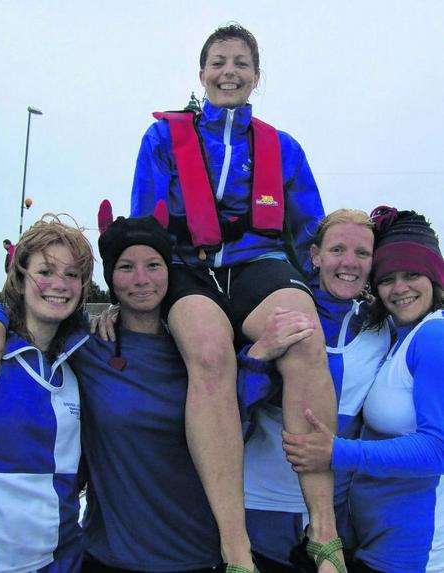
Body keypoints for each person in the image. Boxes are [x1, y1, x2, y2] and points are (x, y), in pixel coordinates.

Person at [131, 23, 339, 572]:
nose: (230, 71)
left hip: (256, 263)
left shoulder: (283, 147)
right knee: (209, 352)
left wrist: (332, 293)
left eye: (241, 63)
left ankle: (324, 532)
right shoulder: (161, 140)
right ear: (202, 74)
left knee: (304, 332)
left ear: (256, 77)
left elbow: (311, 230)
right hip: (188, 267)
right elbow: (142, 223)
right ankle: (235, 546)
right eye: (219, 61)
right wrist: (132, 296)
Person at [0, 213, 309, 572]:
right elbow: (33, 313)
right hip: (106, 557)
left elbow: (236, 422)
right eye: (126, 266)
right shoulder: (87, 346)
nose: (141, 279)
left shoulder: (202, 352)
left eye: (154, 265)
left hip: (196, 554)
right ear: (110, 278)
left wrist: (257, 357)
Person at [283, 207, 444, 573]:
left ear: (435, 277)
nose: (400, 288)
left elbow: (439, 449)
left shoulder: (435, 336)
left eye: (413, 275)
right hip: (371, 541)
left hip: (414, 550)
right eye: (388, 278)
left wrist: (338, 452)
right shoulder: (392, 334)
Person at [239, 209, 391, 572]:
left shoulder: (384, 326)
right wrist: (257, 357)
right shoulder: (279, 310)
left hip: (339, 521)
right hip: (262, 512)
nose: (349, 263)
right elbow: (231, 412)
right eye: (337, 249)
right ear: (315, 256)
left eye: (362, 253)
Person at [0, 215, 93, 573]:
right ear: (20, 280)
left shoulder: (79, 364)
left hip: (63, 561)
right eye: (46, 271)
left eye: (72, 275)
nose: (59, 285)